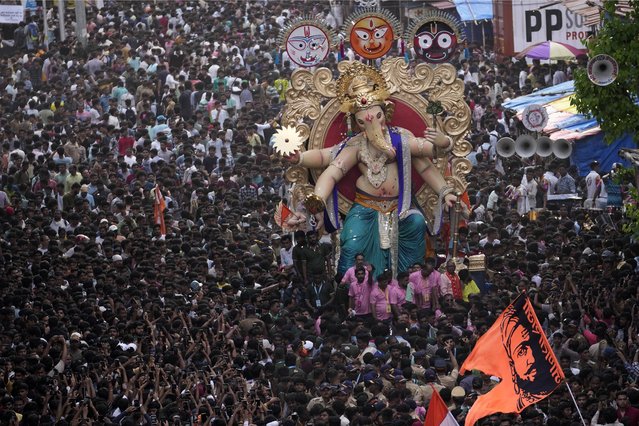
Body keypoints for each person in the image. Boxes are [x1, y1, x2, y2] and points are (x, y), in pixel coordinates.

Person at [286, 62, 456, 277]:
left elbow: (427, 164)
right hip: (365, 208)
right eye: (365, 122)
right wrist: (309, 180)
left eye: (378, 118)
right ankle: (353, 289)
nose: (374, 125)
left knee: (416, 224)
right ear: (356, 124)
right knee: (351, 243)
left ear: (386, 113)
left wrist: (444, 148)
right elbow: (328, 165)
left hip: (400, 208)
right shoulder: (356, 145)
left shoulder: (401, 140)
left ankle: (407, 284)